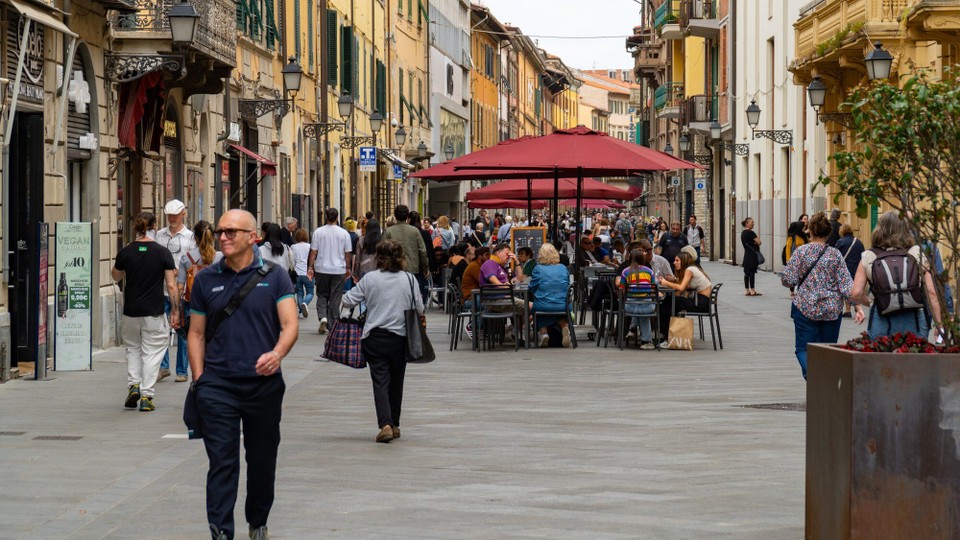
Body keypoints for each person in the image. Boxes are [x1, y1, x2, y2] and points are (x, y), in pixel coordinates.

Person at [187, 209, 298, 540]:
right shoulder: (206, 279)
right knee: (222, 462)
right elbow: (196, 333)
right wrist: (200, 379)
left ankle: (257, 522)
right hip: (217, 385)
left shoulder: (275, 276)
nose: (223, 237)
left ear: (253, 237)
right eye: (220, 231)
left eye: (231, 231)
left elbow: (290, 324)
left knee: (262, 461)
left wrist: (277, 354)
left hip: (263, 386)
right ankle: (221, 531)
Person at [342, 240, 425, 443]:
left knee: (380, 382)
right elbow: (420, 308)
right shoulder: (409, 279)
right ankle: (394, 424)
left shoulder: (370, 278)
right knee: (397, 382)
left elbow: (348, 300)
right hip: (401, 338)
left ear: (378, 258)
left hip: (375, 337)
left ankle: (385, 424)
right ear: (401, 258)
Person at [781, 212, 864, 379]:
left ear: (810, 231)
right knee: (828, 349)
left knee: (803, 349)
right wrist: (857, 306)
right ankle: (823, 382)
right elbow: (846, 284)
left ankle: (815, 378)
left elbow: (788, 279)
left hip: (805, 307)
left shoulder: (801, 252)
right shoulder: (835, 254)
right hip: (831, 310)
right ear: (828, 233)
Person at [113, 212, 179, 411]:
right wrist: (175, 310)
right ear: (155, 226)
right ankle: (146, 396)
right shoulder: (162, 252)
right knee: (152, 351)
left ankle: (134, 385)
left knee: (133, 348)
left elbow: (115, 276)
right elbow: (171, 285)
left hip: (131, 311)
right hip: (154, 311)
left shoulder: (126, 251)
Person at [850, 211, 941, 340]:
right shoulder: (916, 253)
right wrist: (939, 324)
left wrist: (873, 302)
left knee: (881, 352)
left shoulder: (868, 256)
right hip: (914, 319)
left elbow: (856, 293)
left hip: (881, 319)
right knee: (914, 351)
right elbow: (932, 293)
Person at [156, 199, 195, 383]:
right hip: (162, 289)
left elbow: (194, 262)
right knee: (161, 330)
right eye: (169, 216)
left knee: (182, 332)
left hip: (182, 291)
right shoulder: (159, 235)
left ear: (183, 214)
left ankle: (182, 370)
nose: (172, 218)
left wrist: (183, 270)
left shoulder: (190, 237)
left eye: (175, 215)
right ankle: (163, 367)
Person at [307, 208, 354, 334]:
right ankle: (333, 323)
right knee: (335, 297)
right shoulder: (344, 233)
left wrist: (310, 267)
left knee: (322, 294)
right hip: (338, 269)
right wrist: (348, 268)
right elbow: (347, 253)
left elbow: (313, 252)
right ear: (337, 217)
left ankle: (323, 317)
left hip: (321, 269)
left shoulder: (318, 232)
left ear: (326, 217)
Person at [658, 252, 713, 346]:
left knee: (668, 303)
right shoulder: (693, 268)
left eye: (677, 260)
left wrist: (666, 282)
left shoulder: (689, 270)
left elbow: (681, 288)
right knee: (670, 302)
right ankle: (667, 334)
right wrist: (674, 280)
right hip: (702, 301)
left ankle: (666, 336)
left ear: (683, 261)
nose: (674, 263)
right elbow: (685, 285)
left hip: (700, 303)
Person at [178, 220, 221, 337]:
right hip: (216, 304)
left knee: (193, 339)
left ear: (195, 238)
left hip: (192, 306)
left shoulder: (186, 258)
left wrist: (176, 310)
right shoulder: (221, 258)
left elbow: (180, 287)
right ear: (212, 237)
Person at [481, 244, 531, 343]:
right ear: (498, 253)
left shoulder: (501, 266)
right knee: (533, 307)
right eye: (507, 253)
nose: (509, 256)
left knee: (526, 310)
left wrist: (517, 262)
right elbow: (493, 280)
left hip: (504, 299)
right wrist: (506, 287)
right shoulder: (490, 263)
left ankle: (516, 331)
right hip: (497, 300)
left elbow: (520, 279)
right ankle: (517, 331)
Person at [383, 205, 430, 305]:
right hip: (412, 269)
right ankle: (410, 313)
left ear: (395, 216)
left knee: (395, 297)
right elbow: (422, 251)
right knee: (411, 297)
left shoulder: (389, 231)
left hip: (393, 268)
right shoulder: (415, 231)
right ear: (407, 216)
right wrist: (425, 268)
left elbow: (383, 251)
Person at [529, 243, 572, 348]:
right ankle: (564, 326)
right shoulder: (563, 268)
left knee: (537, 308)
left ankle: (543, 332)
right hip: (563, 305)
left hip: (543, 305)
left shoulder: (538, 269)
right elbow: (567, 284)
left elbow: (532, 287)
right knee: (553, 307)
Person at [617, 248, 659, 350]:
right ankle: (646, 341)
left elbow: (621, 289)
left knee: (637, 306)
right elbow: (654, 287)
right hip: (647, 308)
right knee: (643, 312)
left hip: (630, 308)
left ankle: (633, 327)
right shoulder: (649, 272)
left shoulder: (625, 272)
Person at [834, 224, 865, 318]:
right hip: (857, 268)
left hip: (846, 267)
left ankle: (847, 310)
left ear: (842, 231)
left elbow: (835, 255)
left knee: (846, 287)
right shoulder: (859, 242)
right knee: (857, 287)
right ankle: (857, 305)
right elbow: (863, 255)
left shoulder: (840, 242)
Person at [409, 211, 434, 304]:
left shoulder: (409, 234)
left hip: (410, 264)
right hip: (421, 266)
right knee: (421, 288)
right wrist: (428, 267)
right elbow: (428, 251)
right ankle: (421, 305)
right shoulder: (425, 233)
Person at [290, 227, 314, 318]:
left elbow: (292, 261)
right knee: (310, 292)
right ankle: (305, 303)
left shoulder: (293, 247)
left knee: (299, 293)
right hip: (308, 272)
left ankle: (300, 311)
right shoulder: (309, 246)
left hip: (297, 273)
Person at [352, 218, 382, 283]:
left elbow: (357, 259)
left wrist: (355, 274)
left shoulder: (361, 240)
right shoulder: (382, 242)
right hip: (378, 271)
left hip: (364, 270)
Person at [741, 217, 762, 296]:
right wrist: (756, 243)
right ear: (747, 223)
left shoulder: (743, 233)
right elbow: (759, 242)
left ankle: (747, 290)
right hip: (753, 255)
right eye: (752, 222)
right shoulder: (751, 233)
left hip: (746, 255)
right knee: (752, 272)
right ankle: (753, 291)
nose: (753, 224)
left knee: (746, 273)